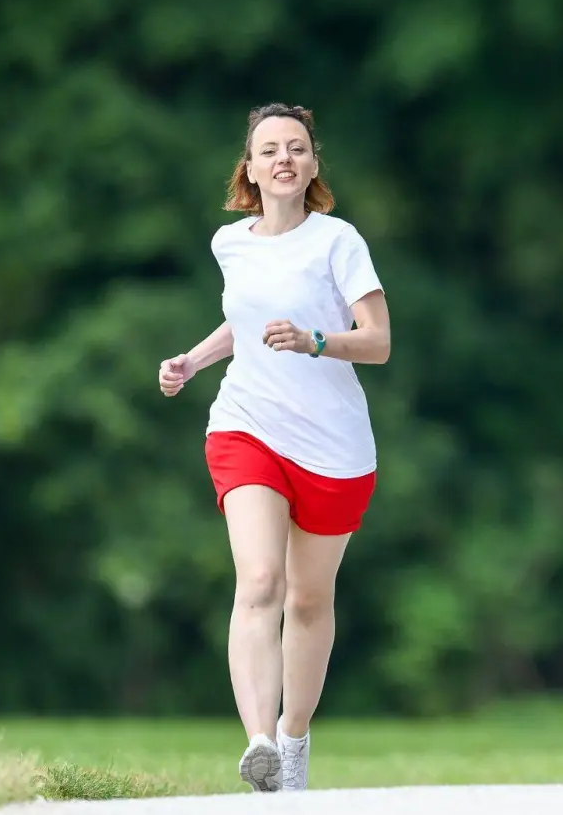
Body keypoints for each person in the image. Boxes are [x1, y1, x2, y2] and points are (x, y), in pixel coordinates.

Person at [157, 103, 390, 793]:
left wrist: (317, 341)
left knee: (310, 601)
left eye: (296, 147)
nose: (283, 158)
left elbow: (376, 342)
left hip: (333, 447)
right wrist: (193, 361)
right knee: (259, 581)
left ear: (314, 164)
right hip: (246, 424)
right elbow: (243, 322)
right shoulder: (232, 244)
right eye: (269, 149)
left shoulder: (337, 242)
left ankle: (292, 740)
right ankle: (257, 740)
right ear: (249, 169)